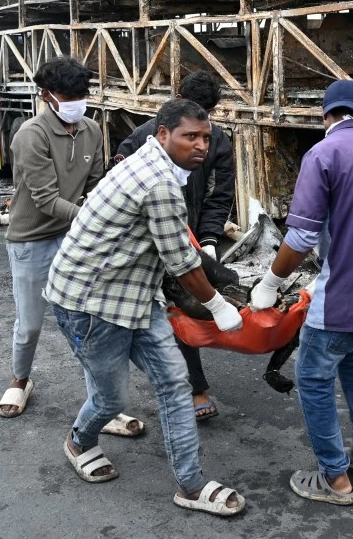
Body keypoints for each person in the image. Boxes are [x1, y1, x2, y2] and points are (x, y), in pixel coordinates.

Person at [45, 99, 245, 516]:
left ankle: (190, 485)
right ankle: (79, 441)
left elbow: (172, 251)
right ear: (163, 135)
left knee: (176, 383)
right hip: (89, 302)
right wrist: (219, 305)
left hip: (136, 295)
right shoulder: (158, 181)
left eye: (206, 137)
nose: (201, 146)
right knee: (110, 398)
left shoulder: (158, 167)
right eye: (191, 136)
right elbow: (180, 261)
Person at [252, 78, 353, 506]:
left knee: (312, 374)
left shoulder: (323, 153)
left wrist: (269, 284)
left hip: (350, 289)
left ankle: (333, 478)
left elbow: (301, 237)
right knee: (350, 353)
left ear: (325, 116)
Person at [113, 71, 234, 421]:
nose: (200, 142)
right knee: (155, 308)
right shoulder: (139, 139)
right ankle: (192, 388)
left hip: (191, 234)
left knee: (182, 305)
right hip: (144, 238)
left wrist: (209, 238)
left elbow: (220, 194)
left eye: (207, 116)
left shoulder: (217, 141)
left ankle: (184, 382)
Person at [0, 57, 105, 419]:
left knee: (89, 321)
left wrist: (107, 211)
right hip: (31, 239)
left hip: (74, 237)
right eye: (67, 94)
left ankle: (102, 401)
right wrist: (96, 218)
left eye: (81, 94)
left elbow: (95, 185)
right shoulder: (31, 134)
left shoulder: (92, 129)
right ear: (46, 95)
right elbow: (45, 200)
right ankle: (19, 379)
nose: (76, 101)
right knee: (29, 323)